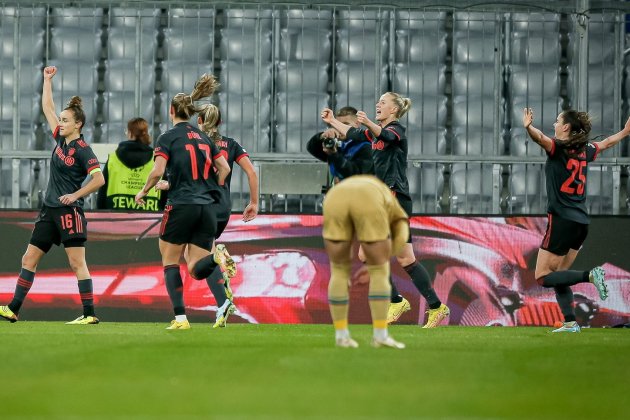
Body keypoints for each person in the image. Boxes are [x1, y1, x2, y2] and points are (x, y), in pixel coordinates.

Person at [322, 92, 450, 328]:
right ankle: (436, 307)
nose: (378, 105)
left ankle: (396, 300)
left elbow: (387, 136)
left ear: (393, 110)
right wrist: (332, 121)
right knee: (406, 258)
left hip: (394, 197)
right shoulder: (373, 133)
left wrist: (369, 122)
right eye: (378, 101)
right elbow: (353, 132)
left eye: (383, 103)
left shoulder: (397, 130)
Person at [0, 66, 105, 325]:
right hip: (49, 210)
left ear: (78, 124)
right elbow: (47, 108)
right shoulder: (61, 141)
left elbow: (99, 179)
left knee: (76, 263)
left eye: (65, 120)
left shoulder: (83, 150)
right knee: (29, 258)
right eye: (61, 120)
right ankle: (13, 308)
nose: (60, 123)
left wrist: (75, 195)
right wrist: (47, 80)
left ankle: (89, 314)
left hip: (70, 211)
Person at [134, 74, 233, 330]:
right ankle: (217, 258)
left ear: (171, 111)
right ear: (190, 113)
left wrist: (144, 191)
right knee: (196, 268)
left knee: (170, 262)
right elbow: (224, 168)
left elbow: (157, 172)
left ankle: (180, 318)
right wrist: (212, 187)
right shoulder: (204, 138)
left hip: (181, 205)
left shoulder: (168, 137)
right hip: (207, 207)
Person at [523, 108, 630, 332]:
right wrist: (625, 132)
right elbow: (607, 143)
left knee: (542, 276)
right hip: (581, 223)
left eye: (557, 121)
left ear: (565, 127)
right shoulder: (585, 150)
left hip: (561, 220)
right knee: (559, 276)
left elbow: (540, 139)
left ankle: (590, 275)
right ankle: (571, 322)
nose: (554, 124)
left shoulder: (558, 148)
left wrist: (528, 127)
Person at [156, 103, 259, 328]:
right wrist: (253, 202)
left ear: (198, 121)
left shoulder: (196, 140)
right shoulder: (231, 144)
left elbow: (190, 176)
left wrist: (165, 185)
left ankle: (216, 304)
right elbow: (250, 171)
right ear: (220, 122)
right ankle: (222, 303)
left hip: (200, 202)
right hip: (222, 205)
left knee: (191, 261)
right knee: (200, 257)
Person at [312, 106, 411, 323]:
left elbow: (355, 173)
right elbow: (315, 148)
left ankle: (402, 301)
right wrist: (326, 133)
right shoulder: (349, 144)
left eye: (343, 124)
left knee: (393, 256)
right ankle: (400, 301)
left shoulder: (367, 145)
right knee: (367, 255)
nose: (339, 130)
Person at [323, 175, 408, 348]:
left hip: (334, 198)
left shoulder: (342, 184)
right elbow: (401, 222)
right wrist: (387, 254)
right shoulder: (382, 190)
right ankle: (380, 335)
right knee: (379, 271)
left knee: (338, 270)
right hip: (369, 199)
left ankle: (341, 335)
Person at [97, 117, 164, 211]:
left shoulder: (113, 159)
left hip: (116, 217)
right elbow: (165, 193)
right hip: (150, 217)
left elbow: (101, 195)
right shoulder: (157, 159)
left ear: (129, 133)